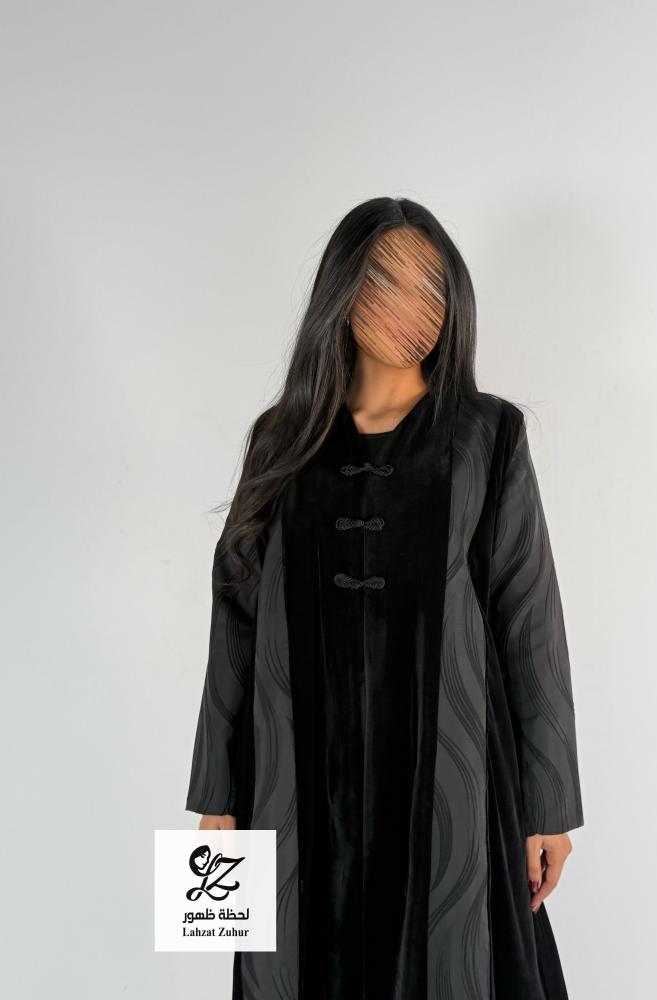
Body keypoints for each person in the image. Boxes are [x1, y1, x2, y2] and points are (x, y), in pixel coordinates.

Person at [185, 196, 584, 999]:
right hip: (294, 776)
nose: (413, 308)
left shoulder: (487, 435)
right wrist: (216, 797)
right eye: (386, 282)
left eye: (431, 287)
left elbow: (528, 617)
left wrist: (549, 807)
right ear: (342, 291)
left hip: (452, 777)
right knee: (292, 962)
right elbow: (235, 614)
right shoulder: (280, 438)